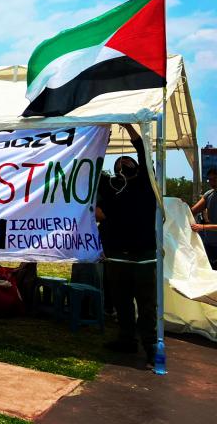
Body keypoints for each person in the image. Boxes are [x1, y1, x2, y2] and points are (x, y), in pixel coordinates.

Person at [96, 123, 158, 367]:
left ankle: (151, 346)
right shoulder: (111, 189)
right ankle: (127, 339)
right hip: (117, 255)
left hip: (144, 254)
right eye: (119, 165)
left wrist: (129, 128)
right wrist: (101, 139)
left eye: (128, 163)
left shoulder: (147, 184)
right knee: (121, 301)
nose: (123, 166)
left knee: (146, 304)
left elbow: (143, 150)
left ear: (138, 168)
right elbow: (92, 167)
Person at [191, 168, 217, 268]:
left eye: (214, 179)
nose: (211, 182)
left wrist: (202, 227)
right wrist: (181, 206)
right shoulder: (209, 194)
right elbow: (193, 211)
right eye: (209, 179)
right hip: (209, 244)